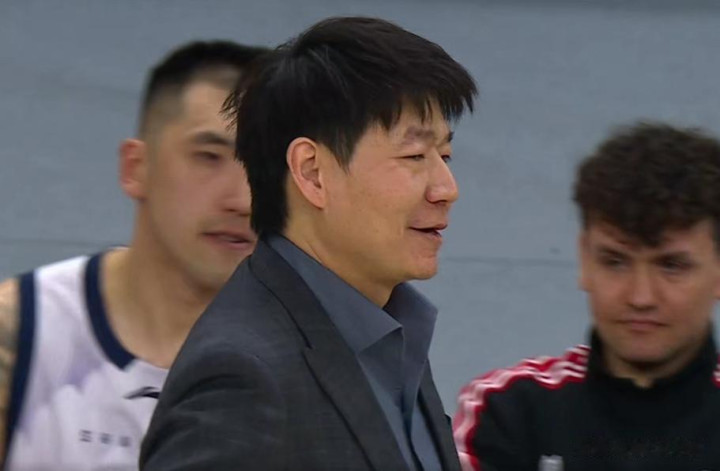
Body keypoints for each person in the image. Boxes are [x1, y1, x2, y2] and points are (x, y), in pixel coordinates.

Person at [140, 16, 477, 471]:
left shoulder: (389, 337)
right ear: (312, 172)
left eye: (446, 155)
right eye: (414, 155)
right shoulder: (242, 377)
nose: (447, 188)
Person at [0, 40, 268, 470]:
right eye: (209, 157)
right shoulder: (22, 330)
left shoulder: (318, 361)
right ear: (136, 167)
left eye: (264, 166)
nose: (243, 200)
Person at [454, 122, 720, 471]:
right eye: (615, 262)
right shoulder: (504, 409)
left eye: (671, 266)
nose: (641, 297)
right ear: (584, 260)